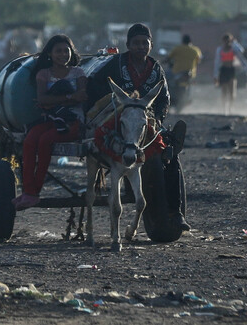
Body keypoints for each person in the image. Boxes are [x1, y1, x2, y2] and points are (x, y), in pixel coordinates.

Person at [86, 23, 189, 231]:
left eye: (145, 43)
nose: (141, 47)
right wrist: (109, 103)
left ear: (151, 45)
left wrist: (158, 119)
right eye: (136, 43)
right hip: (118, 119)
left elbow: (164, 99)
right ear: (128, 45)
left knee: (170, 155)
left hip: (146, 120)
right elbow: (94, 84)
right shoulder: (115, 64)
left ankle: (175, 212)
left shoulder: (156, 68)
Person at [12, 34, 88, 211]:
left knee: (45, 140)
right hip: (53, 120)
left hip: (73, 122)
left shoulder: (79, 73)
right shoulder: (43, 74)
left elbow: (81, 97)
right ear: (50, 54)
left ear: (71, 53)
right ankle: (28, 191)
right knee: (30, 139)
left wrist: (53, 100)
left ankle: (34, 193)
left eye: (66, 51)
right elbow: (42, 99)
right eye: (58, 51)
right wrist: (69, 97)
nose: (63, 54)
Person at [213, 33, 247, 116]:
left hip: (231, 71)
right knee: (224, 92)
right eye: (225, 40)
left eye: (229, 40)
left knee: (232, 92)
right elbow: (217, 62)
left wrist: (235, 42)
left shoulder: (234, 49)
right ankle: (223, 109)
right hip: (223, 70)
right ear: (223, 41)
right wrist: (215, 75)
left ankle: (230, 108)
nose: (227, 42)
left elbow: (241, 50)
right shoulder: (220, 49)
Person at [166, 34, 202, 110]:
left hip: (176, 73)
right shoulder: (195, 50)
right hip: (190, 74)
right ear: (191, 41)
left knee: (166, 81)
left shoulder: (177, 49)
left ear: (182, 41)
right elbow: (199, 61)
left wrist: (165, 61)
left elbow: (168, 58)